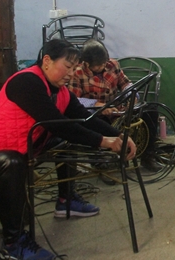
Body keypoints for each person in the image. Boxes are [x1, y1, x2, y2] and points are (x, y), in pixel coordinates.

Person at [0, 39, 136, 260]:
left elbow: (84, 118)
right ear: (47, 61)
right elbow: (57, 124)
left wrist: (119, 136)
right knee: (12, 162)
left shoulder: (61, 91)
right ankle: (13, 245)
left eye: (74, 68)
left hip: (11, 151)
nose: (71, 74)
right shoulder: (26, 82)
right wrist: (104, 142)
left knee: (59, 143)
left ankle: (66, 199)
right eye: (67, 67)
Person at [68, 39, 162, 172]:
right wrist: (97, 105)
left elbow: (125, 84)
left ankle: (148, 156)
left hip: (117, 109)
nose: (102, 66)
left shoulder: (112, 65)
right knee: (95, 123)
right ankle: (100, 161)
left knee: (150, 112)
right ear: (86, 63)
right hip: (96, 113)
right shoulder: (77, 72)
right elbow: (74, 100)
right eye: (98, 66)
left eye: (104, 63)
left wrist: (132, 96)